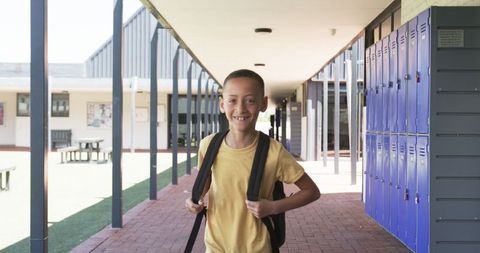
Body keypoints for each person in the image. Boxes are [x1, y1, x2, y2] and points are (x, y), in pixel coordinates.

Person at [185, 69, 320, 253]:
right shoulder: (208, 145)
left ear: (263, 104)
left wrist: (273, 207)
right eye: (232, 100)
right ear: (222, 104)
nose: (240, 108)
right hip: (216, 246)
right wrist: (196, 199)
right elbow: (206, 181)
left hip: (257, 247)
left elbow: (311, 191)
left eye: (250, 100)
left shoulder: (274, 151)